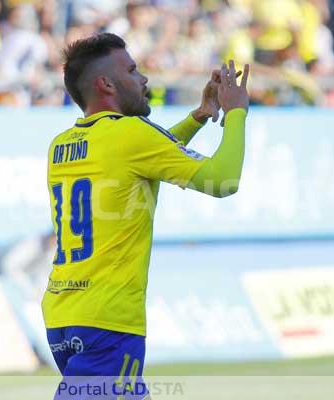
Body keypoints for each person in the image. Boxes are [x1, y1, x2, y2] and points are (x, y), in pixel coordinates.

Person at [42, 32, 249, 396]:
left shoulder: (62, 144)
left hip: (63, 317)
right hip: (108, 322)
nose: (143, 79)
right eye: (133, 70)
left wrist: (198, 117)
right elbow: (224, 179)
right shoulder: (131, 136)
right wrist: (236, 112)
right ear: (106, 84)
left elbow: (143, 157)